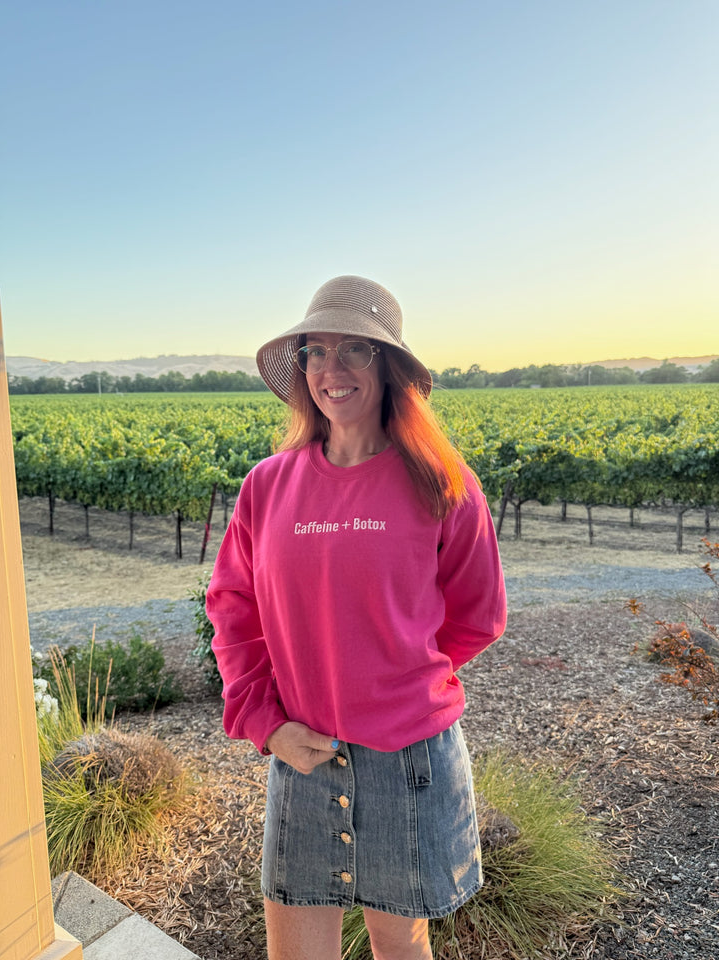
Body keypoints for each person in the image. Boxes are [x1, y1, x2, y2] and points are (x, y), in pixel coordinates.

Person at [206, 275, 506, 960]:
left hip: (409, 763)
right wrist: (264, 720)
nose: (330, 370)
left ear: (390, 367)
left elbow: (478, 616)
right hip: (301, 756)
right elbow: (232, 606)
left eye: (355, 351)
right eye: (315, 350)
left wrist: (395, 679)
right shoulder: (267, 486)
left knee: (398, 946)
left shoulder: (441, 482)